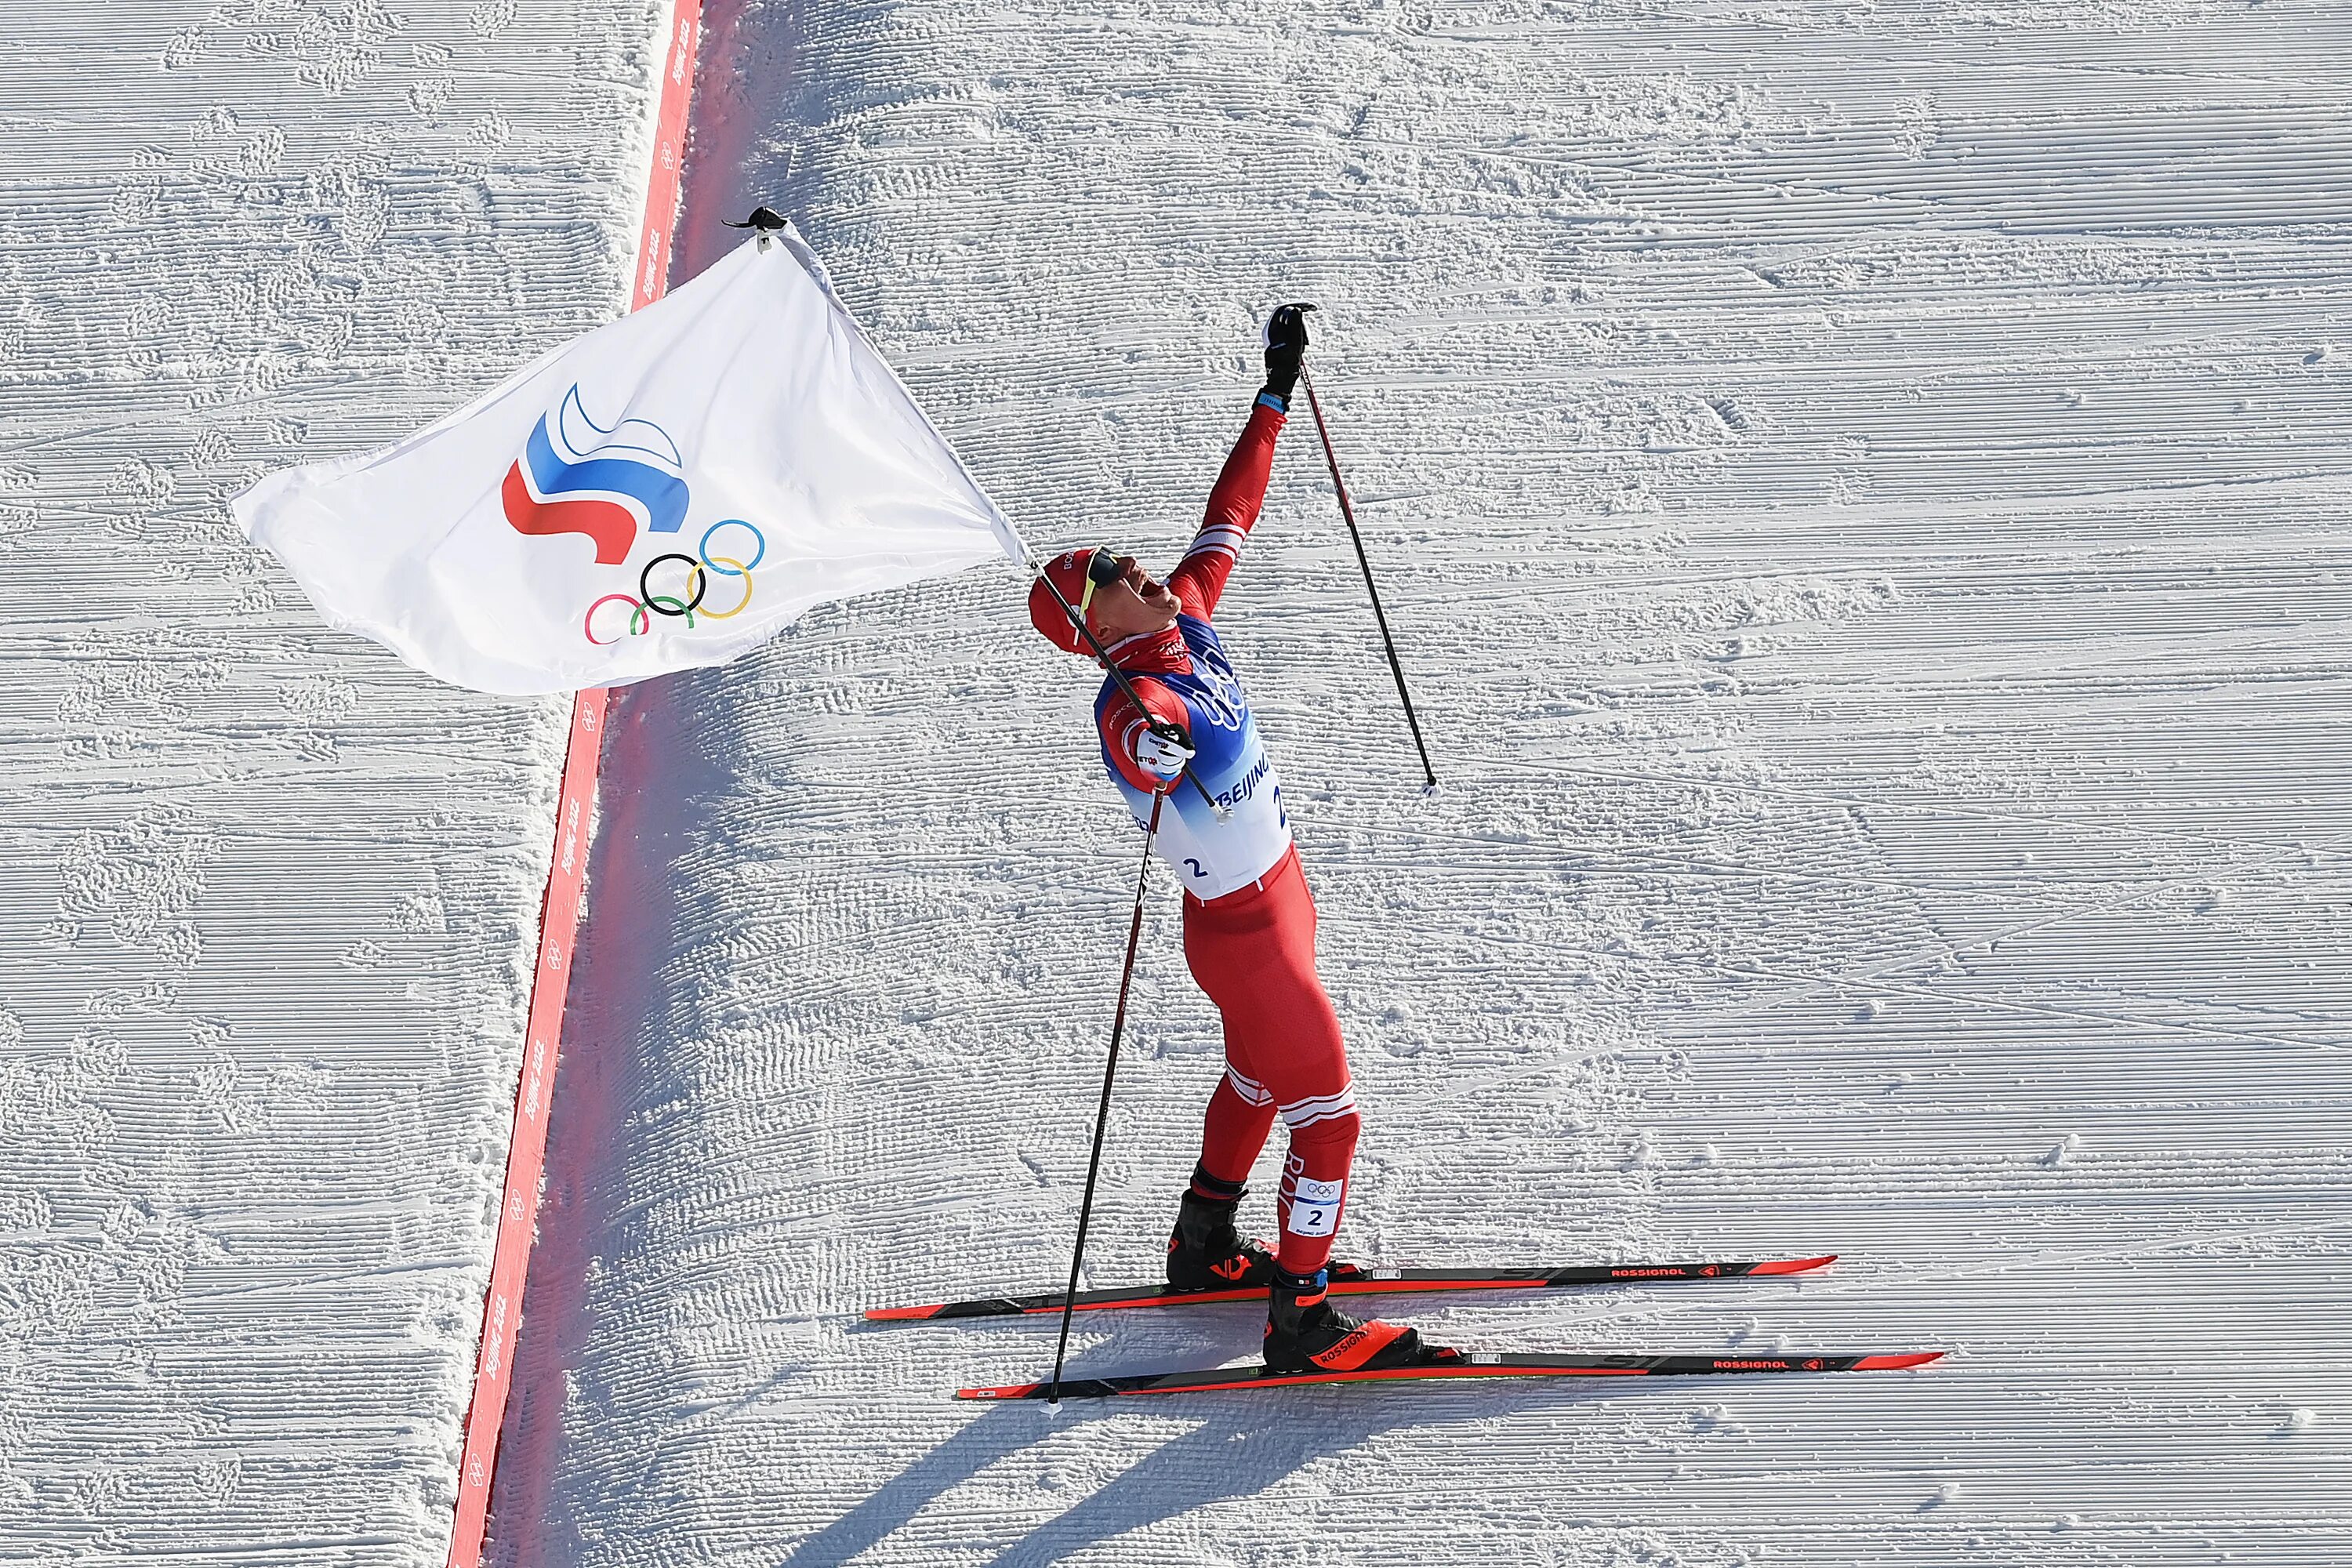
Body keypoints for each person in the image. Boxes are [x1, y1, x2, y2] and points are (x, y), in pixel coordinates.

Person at [1026, 307, 1445, 1374]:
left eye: (1129, 557)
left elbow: (1230, 513)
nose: (1142, 564)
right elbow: (1134, 741)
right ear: (1098, 623)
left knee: (1261, 1084)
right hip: (1245, 933)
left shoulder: (1189, 619)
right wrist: (1149, 748)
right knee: (1331, 1122)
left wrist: (1273, 395)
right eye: (1115, 570)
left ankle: (1202, 1242)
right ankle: (1299, 1323)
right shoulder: (1136, 695)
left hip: (1272, 907)